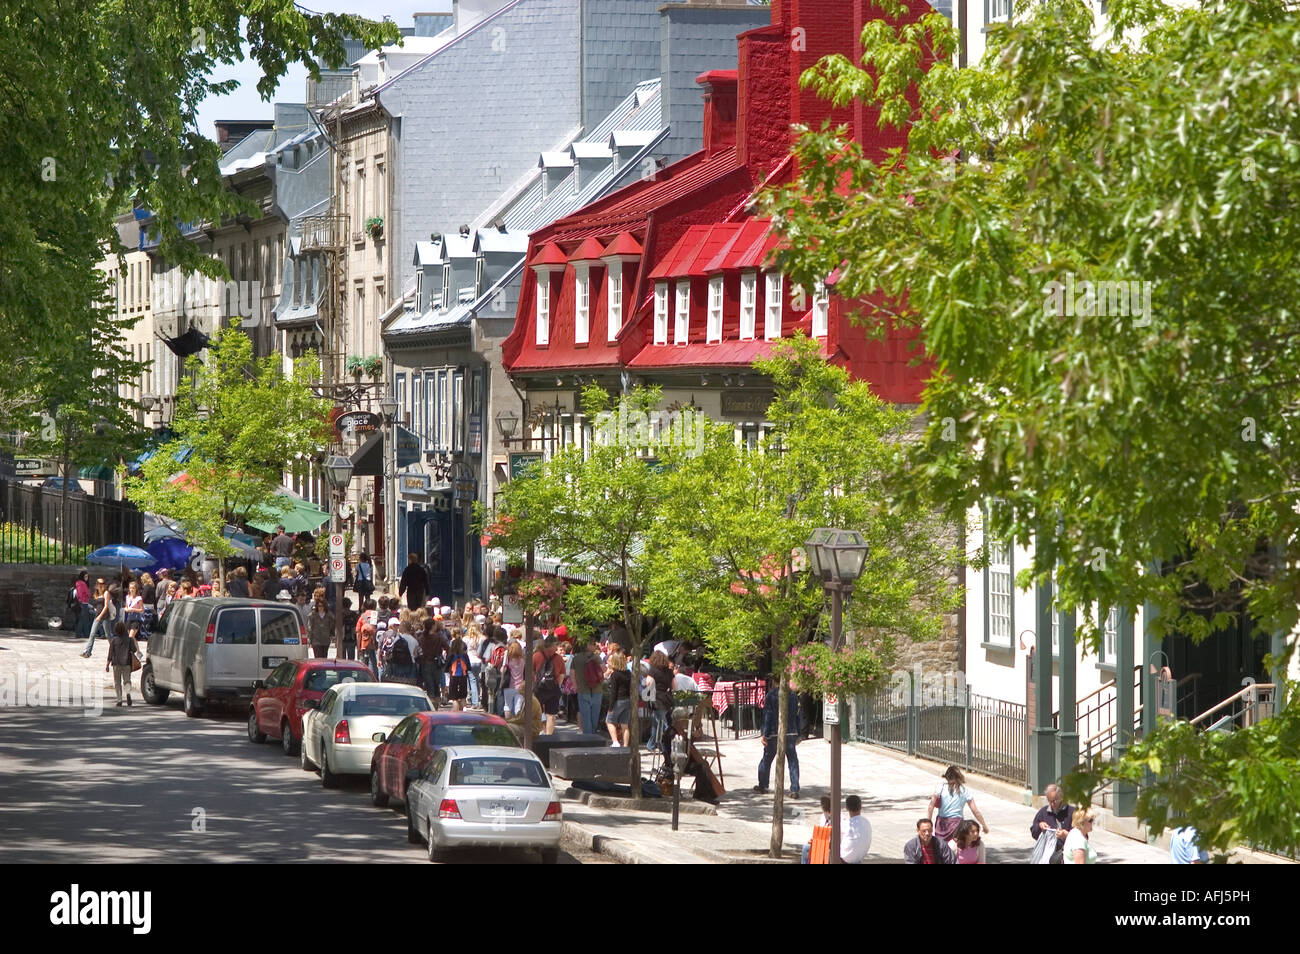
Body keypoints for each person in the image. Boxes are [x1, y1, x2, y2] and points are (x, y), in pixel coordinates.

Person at [754, 681, 801, 797]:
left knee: (767, 759)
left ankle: (763, 785)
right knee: (793, 760)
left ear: (775, 681)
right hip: (791, 732)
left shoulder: (771, 695)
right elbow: (798, 715)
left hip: (774, 733)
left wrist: (764, 733)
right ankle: (794, 788)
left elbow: (768, 715)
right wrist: (798, 733)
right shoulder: (793, 695)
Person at [928, 766, 988, 842]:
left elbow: (931, 807)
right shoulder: (965, 791)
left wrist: (928, 823)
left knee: (941, 848)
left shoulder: (940, 788)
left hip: (941, 824)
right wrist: (984, 825)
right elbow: (975, 811)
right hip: (957, 824)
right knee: (956, 848)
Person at [1029, 783, 1073, 863]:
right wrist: (1040, 826)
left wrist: (1067, 835)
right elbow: (1033, 832)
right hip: (1047, 856)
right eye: (1050, 801)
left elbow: (1083, 836)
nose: (1052, 804)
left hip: (1067, 856)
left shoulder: (1071, 812)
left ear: (1061, 797)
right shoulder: (1043, 812)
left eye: (1055, 800)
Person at [570, 637, 605, 735]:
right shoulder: (596, 657)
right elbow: (604, 669)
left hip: (582, 689)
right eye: (593, 644)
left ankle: (587, 735)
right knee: (595, 714)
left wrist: (575, 686)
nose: (595, 646)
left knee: (585, 715)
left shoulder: (576, 658)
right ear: (588, 646)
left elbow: (572, 673)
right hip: (597, 689)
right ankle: (593, 734)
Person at [533, 635, 565, 735]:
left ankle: (540, 731)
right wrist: (556, 685)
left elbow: (530, 672)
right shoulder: (559, 658)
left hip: (538, 688)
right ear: (553, 645)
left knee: (538, 712)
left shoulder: (536, 655)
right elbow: (561, 675)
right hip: (553, 688)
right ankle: (549, 736)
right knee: (551, 715)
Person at [104, 621, 139, 707]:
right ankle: (127, 693)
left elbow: (110, 653)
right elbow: (134, 650)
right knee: (127, 680)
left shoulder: (114, 640)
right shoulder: (130, 640)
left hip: (116, 663)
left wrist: (107, 665)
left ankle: (119, 699)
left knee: (117, 682)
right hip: (127, 663)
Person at [81, 579, 115, 657]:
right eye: (97, 583)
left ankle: (115, 650)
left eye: (100, 583)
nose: (97, 585)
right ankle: (88, 652)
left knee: (108, 635)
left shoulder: (106, 593)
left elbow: (106, 606)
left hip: (105, 617)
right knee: (92, 634)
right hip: (97, 616)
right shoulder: (97, 594)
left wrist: (100, 616)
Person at [418, 618, 449, 705]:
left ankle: (431, 705)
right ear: (432, 626)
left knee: (429, 686)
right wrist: (446, 660)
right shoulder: (439, 637)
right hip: (436, 664)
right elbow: (448, 648)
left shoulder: (421, 638)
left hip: (425, 663)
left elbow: (417, 650)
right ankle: (435, 707)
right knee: (436, 686)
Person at [605, 652, 632, 746]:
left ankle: (615, 741)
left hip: (618, 700)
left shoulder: (615, 674)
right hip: (627, 700)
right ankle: (625, 745)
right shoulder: (628, 673)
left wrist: (610, 707)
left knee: (609, 721)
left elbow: (613, 691)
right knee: (625, 724)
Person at [800, 796, 835, 864]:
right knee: (806, 847)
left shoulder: (835, 818)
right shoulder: (823, 817)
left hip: (828, 845)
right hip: (821, 843)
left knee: (805, 849)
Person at [841, 794, 872, 864]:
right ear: (861, 807)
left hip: (844, 859)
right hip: (859, 858)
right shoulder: (866, 822)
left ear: (847, 808)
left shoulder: (846, 824)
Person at [306, 587, 334, 659]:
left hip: (326, 640)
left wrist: (332, 635)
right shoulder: (312, 615)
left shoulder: (329, 615)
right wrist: (309, 639)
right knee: (318, 658)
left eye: (321, 606)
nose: (320, 607)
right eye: (318, 606)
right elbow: (309, 627)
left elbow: (332, 626)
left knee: (325, 657)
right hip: (316, 640)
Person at [446, 637, 471, 712]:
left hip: (454, 676)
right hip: (463, 676)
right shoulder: (464, 655)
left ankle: (455, 709)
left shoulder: (451, 655)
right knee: (463, 694)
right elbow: (469, 667)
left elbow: (446, 666)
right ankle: (464, 708)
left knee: (454, 696)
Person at [503, 640, 527, 717]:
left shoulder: (508, 659)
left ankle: (509, 723)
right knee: (518, 707)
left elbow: (502, 670)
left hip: (509, 686)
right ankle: (517, 723)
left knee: (507, 706)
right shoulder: (523, 660)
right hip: (520, 686)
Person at [73, 570, 93, 639]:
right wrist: (82, 600)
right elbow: (81, 593)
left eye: (87, 576)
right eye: (85, 576)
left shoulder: (81, 583)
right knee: (84, 619)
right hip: (83, 602)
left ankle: (80, 633)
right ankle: (85, 633)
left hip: (84, 602)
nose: (86, 578)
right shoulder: (82, 583)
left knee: (82, 618)